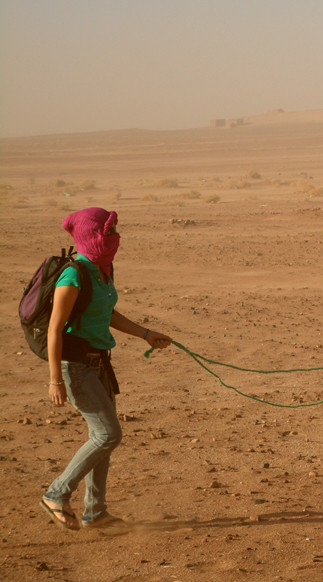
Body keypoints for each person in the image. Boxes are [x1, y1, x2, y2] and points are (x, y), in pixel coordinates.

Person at [39, 207, 172, 531]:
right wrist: (55, 380)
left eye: (114, 232)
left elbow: (108, 313)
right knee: (107, 435)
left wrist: (145, 333)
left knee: (103, 438)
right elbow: (55, 330)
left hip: (100, 365)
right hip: (76, 367)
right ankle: (56, 494)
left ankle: (95, 512)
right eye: (107, 232)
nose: (113, 238)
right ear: (91, 235)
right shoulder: (74, 274)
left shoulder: (103, 269)